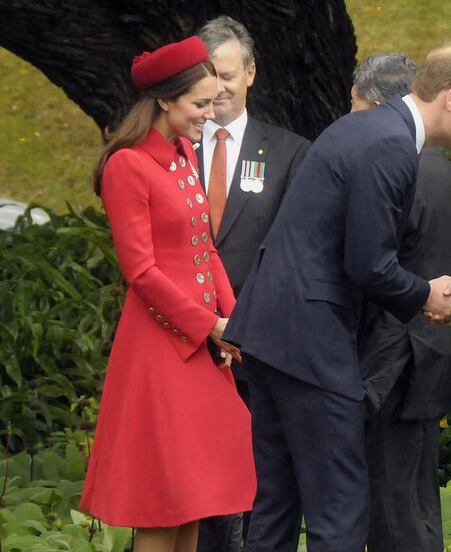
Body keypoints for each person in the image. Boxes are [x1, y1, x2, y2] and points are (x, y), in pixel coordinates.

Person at [223, 45, 451, 552]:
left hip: (266, 334)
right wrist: (426, 295)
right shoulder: (392, 144)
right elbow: (368, 263)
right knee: (341, 512)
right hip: (310, 343)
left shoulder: (358, 126)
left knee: (275, 507)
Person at [80, 36, 256, 552]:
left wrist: (235, 319)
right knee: (161, 502)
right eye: (199, 104)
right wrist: (213, 326)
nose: (210, 113)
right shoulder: (128, 165)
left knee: (193, 499)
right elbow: (142, 272)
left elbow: (205, 249)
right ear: (164, 100)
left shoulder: (182, 152)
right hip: (159, 348)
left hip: (197, 345)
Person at [195, 16, 310, 552]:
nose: (217, 87)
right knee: (187, 485)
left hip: (255, 348)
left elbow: (293, 254)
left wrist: (243, 327)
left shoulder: (289, 154)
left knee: (254, 488)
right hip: (183, 341)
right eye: (206, 74)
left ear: (251, 75)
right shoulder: (167, 150)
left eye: (226, 73)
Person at [351, 53, 451, 552]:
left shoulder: (397, 166)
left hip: (393, 358)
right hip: (433, 354)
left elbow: (376, 267)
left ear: (380, 106)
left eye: (355, 109)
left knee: (392, 506)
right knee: (418, 501)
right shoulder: (443, 170)